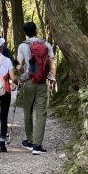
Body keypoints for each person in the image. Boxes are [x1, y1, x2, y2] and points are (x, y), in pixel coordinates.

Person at [16, 20, 56, 156]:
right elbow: (52, 64)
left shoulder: (22, 46)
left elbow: (20, 66)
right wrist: (52, 79)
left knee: (28, 112)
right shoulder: (46, 44)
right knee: (41, 113)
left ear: (25, 33)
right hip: (42, 82)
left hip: (28, 82)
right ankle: (37, 146)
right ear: (36, 31)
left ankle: (29, 140)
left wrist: (17, 70)